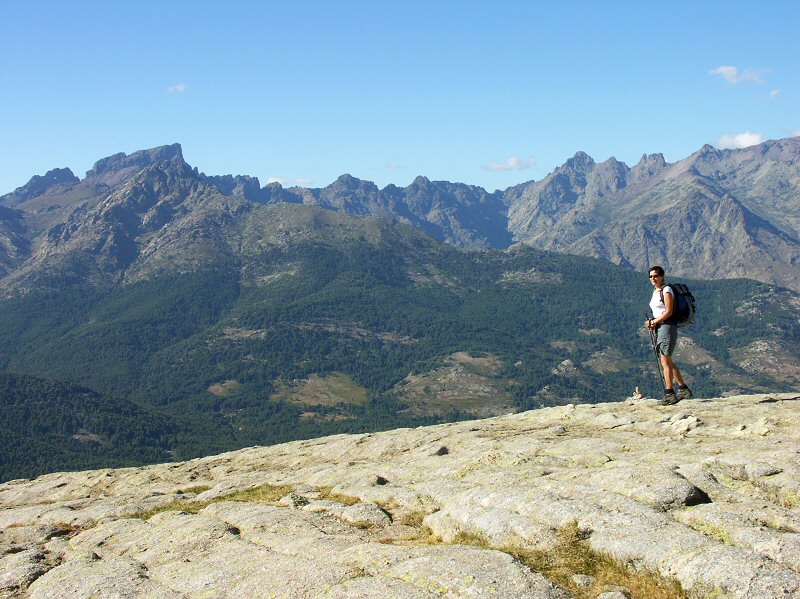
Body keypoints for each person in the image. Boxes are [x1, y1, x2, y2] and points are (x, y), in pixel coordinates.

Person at [645, 266, 692, 405]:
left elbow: (669, 312)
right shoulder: (656, 292)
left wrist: (654, 321)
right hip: (661, 327)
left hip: (667, 326)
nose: (653, 279)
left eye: (655, 276)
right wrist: (654, 323)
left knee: (665, 362)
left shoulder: (667, 290)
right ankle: (683, 389)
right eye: (651, 276)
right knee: (668, 360)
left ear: (662, 276)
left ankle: (669, 394)